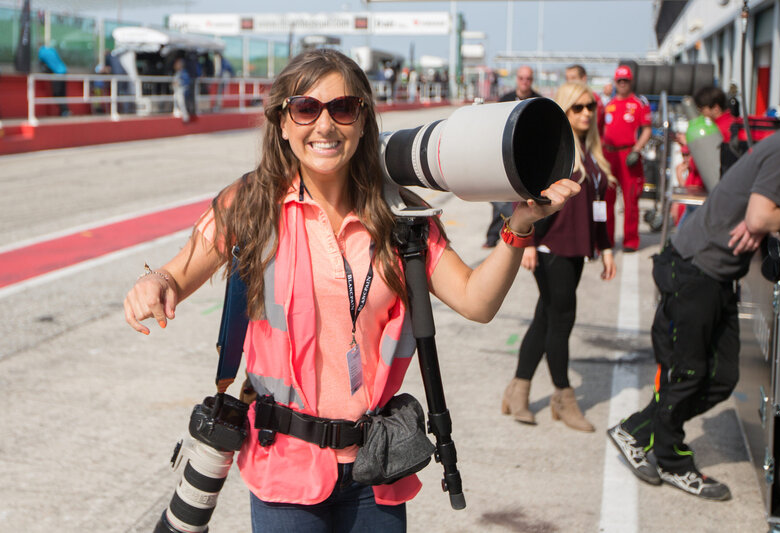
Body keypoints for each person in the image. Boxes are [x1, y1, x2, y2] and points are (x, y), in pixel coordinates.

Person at [123, 49, 579, 532]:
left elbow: (476, 300)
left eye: (342, 108)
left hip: (376, 471)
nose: (325, 125)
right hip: (286, 472)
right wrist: (154, 281)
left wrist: (519, 227)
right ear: (282, 121)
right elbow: (175, 275)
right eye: (305, 108)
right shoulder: (251, 204)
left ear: (362, 120)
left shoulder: (402, 216)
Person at [608, 125, 780, 501]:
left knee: (721, 376)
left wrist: (770, 218)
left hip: (719, 276)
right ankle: (671, 460)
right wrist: (776, 218)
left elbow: (759, 217)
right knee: (688, 374)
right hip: (695, 270)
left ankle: (635, 430)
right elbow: (761, 218)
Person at [502, 82, 617, 431]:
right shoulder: (555, 147)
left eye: (590, 107)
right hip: (552, 246)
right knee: (561, 320)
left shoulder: (592, 151)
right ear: (564, 111)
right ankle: (563, 398)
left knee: (545, 318)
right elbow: (524, 197)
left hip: (578, 248)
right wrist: (530, 242)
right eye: (577, 107)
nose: (585, 113)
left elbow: (600, 207)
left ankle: (516, 391)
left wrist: (606, 246)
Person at [484, 65, 543, 248]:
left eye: (528, 79)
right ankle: (493, 236)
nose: (525, 82)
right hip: (505, 155)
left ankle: (527, 237)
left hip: (528, 157)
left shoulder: (538, 101)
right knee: (500, 201)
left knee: (528, 202)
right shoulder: (505, 100)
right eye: (521, 78)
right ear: (516, 79)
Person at [602, 65, 652, 252]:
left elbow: (647, 129)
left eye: (626, 81)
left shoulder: (639, 103)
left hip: (628, 154)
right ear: (615, 82)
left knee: (631, 199)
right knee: (606, 199)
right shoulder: (609, 104)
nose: (622, 84)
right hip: (609, 155)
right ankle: (606, 239)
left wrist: (637, 150)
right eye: (619, 81)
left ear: (631, 82)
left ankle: (630, 240)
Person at [673, 86, 735, 225]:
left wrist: (690, 149)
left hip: (703, 193)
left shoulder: (719, 129)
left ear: (716, 108)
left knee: (685, 237)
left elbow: (707, 161)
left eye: (702, 110)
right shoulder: (725, 126)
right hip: (701, 191)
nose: (700, 114)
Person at [565, 64, 605, 137]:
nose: (569, 82)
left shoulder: (593, 99)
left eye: (573, 78)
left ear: (583, 78)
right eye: (567, 79)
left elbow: (595, 127)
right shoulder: (565, 98)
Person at [37, 44, 69, 116]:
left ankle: (64, 110)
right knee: (62, 93)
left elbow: (41, 65)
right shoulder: (52, 50)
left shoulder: (41, 53)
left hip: (57, 74)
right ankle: (64, 111)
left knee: (56, 93)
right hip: (64, 71)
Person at [172, 58, 192, 123]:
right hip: (177, 90)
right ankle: (177, 112)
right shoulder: (178, 73)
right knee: (176, 100)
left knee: (181, 103)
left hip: (182, 90)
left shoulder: (184, 72)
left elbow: (187, 81)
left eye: (178, 64)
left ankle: (185, 117)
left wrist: (179, 83)